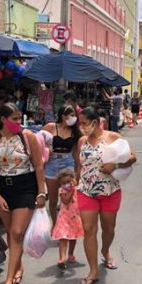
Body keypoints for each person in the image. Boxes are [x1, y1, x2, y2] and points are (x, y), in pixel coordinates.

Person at [0, 103, 47, 284]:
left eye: (20, 118)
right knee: (12, 233)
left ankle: (8, 281)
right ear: (3, 119)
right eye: (14, 119)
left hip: (25, 187)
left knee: (17, 233)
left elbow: (38, 166)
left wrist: (41, 192)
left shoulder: (27, 136)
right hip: (4, 189)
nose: (18, 123)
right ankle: (18, 265)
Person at [74, 107, 137, 284]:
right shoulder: (81, 142)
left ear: (95, 122)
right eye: (80, 123)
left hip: (110, 190)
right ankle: (93, 270)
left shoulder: (113, 138)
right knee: (89, 229)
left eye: (84, 123)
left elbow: (132, 157)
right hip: (86, 191)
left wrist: (115, 164)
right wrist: (74, 185)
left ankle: (105, 250)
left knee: (109, 228)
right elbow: (81, 166)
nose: (81, 127)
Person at [42, 105, 82, 262]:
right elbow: (38, 143)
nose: (72, 117)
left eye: (74, 114)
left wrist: (77, 172)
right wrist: (46, 150)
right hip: (52, 163)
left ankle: (67, 227)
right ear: (62, 115)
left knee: (67, 199)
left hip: (67, 163)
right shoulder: (51, 127)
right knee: (52, 199)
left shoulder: (75, 132)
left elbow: (76, 153)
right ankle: (55, 226)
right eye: (69, 114)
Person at [51, 168, 84, 270]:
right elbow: (65, 201)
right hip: (64, 218)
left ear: (73, 180)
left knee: (73, 237)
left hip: (74, 217)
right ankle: (62, 258)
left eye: (69, 181)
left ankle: (71, 254)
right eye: (64, 183)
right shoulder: (62, 190)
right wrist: (71, 190)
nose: (67, 184)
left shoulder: (78, 189)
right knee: (63, 238)